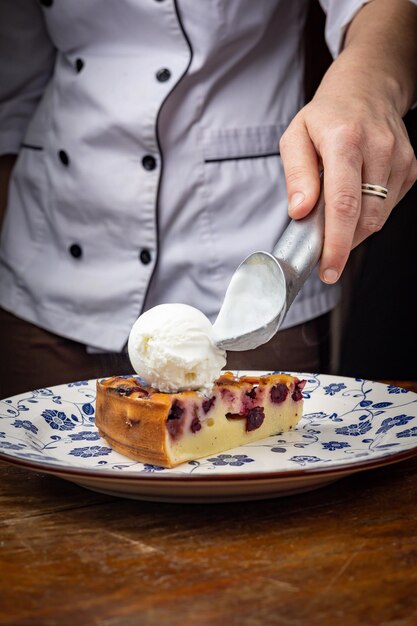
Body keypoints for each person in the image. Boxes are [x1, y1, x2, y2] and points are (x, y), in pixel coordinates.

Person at [0, 0, 416, 398]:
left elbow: (384, 5)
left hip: (250, 251)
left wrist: (366, 89)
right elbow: (13, 93)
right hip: (47, 265)